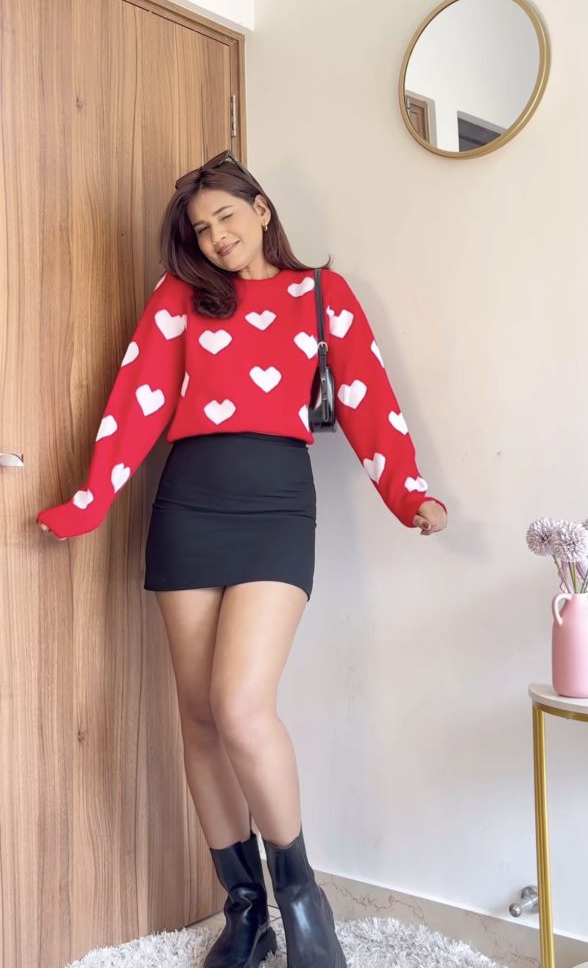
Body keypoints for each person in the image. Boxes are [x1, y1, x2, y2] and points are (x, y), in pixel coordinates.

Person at [37, 150, 447, 968]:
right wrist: (90, 500)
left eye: (225, 216)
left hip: (277, 507)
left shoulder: (321, 294)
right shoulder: (179, 298)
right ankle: (246, 912)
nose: (216, 236)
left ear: (260, 209)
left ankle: (304, 904)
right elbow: (138, 400)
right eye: (200, 229)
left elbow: (366, 394)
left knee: (240, 706)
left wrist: (408, 492)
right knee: (197, 715)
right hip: (188, 504)